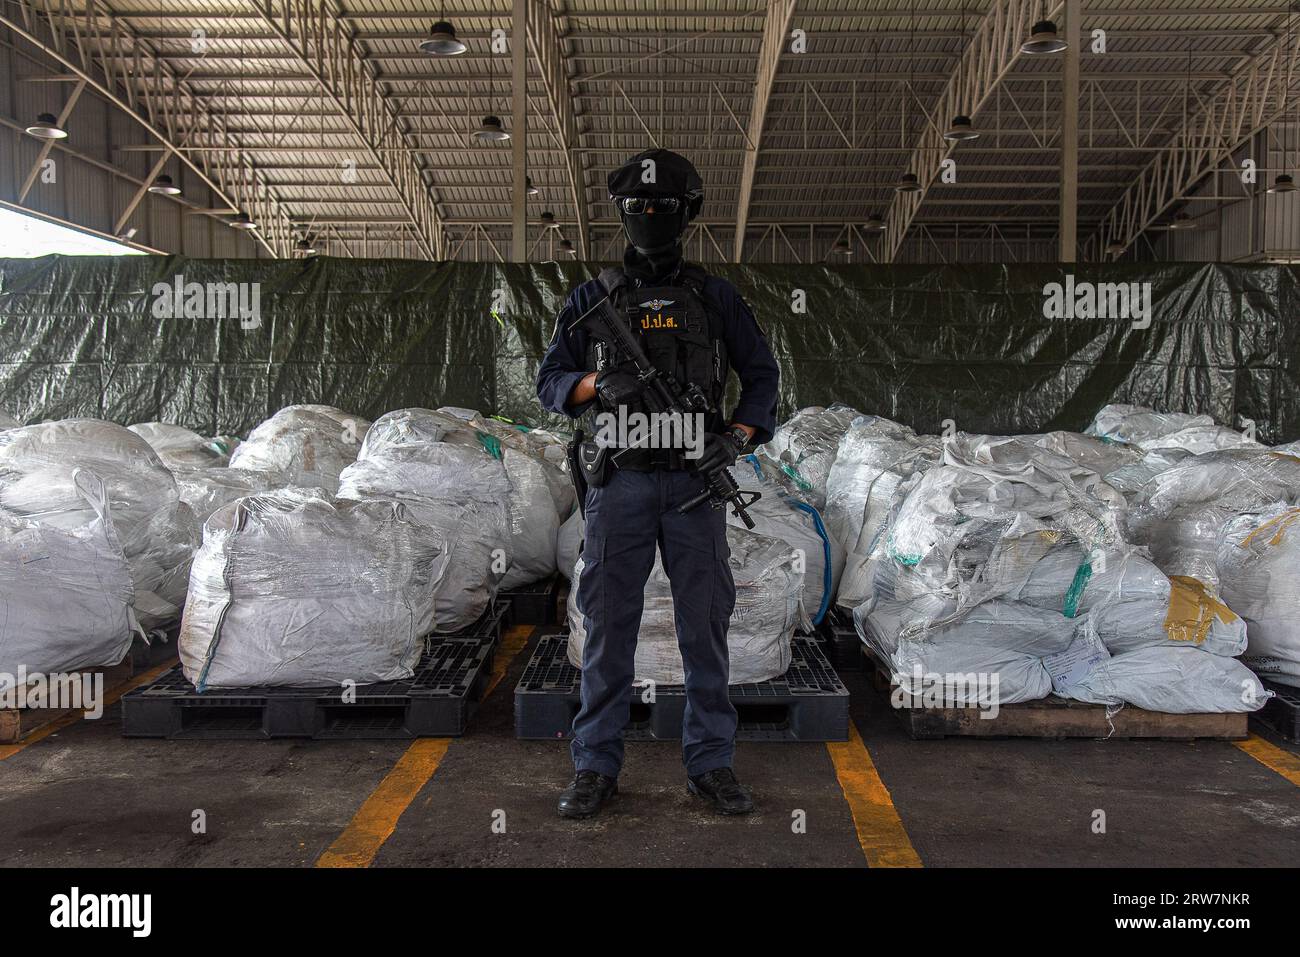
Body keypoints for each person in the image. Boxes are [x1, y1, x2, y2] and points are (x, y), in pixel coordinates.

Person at [535, 148, 780, 819]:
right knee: (610, 628)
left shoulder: (714, 296)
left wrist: (736, 437)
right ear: (621, 212)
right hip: (621, 484)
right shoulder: (594, 298)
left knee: (705, 628)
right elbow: (549, 380)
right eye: (636, 207)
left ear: (687, 214)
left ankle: (711, 762)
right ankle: (595, 764)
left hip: (694, 486)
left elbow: (763, 378)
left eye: (662, 208)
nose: (647, 216)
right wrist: (593, 383)